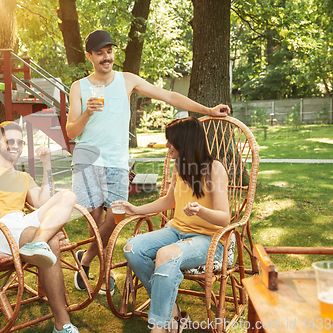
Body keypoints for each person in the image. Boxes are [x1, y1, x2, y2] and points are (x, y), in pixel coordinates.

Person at [66, 29, 231, 295]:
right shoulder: (79, 87)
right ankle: (103, 273)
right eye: (100, 53)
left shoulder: (127, 80)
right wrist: (87, 112)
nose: (106, 57)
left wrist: (208, 110)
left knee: (114, 218)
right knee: (94, 219)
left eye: (109, 51)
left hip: (117, 161)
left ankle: (85, 260)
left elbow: (170, 96)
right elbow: (71, 132)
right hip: (87, 159)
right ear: (90, 56)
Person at [0, 121, 80, 333]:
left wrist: (47, 164)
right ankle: (63, 323)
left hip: (19, 222)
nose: (15, 146)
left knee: (67, 196)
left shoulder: (23, 176)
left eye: (20, 142)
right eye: (9, 141)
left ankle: (37, 243)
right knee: (51, 241)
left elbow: (42, 203)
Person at [118, 117, 230, 333]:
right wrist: (135, 209)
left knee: (166, 255)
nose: (167, 146)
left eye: (171, 141)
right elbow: (169, 201)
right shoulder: (181, 166)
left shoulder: (215, 169)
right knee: (133, 249)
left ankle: (159, 328)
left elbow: (224, 218)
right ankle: (172, 312)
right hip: (176, 231)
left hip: (209, 240)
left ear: (185, 142)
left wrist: (201, 211)